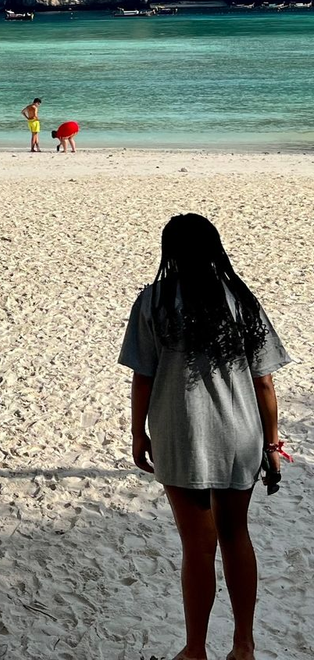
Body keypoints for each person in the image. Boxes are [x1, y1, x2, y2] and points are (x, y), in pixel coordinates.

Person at [119, 214, 291, 660]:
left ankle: (195, 649)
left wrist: (138, 433)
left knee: (197, 544)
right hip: (240, 434)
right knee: (237, 536)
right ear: (216, 248)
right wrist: (272, 442)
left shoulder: (154, 301)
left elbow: (143, 377)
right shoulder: (241, 298)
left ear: (169, 252)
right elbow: (265, 382)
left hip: (180, 434)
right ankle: (244, 645)